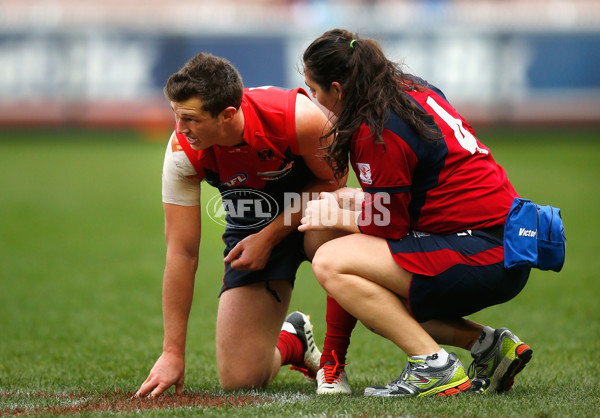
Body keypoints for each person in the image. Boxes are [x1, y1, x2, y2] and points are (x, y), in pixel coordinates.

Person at [298, 29, 533, 397]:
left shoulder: (378, 124)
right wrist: (346, 204)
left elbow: (391, 223)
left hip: (486, 251)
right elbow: (415, 195)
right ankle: (488, 347)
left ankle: (433, 367)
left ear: (338, 89)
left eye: (315, 91)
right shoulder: (405, 87)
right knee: (370, 296)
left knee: (332, 261)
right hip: (497, 241)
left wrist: (335, 214)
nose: (315, 101)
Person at [135, 52, 346, 397]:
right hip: (251, 226)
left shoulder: (299, 119)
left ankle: (334, 366)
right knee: (240, 379)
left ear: (227, 115)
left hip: (312, 215)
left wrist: (271, 235)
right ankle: (293, 339)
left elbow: (336, 183)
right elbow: (182, 251)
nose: (179, 128)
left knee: (336, 224)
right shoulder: (181, 153)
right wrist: (172, 353)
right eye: (176, 115)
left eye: (189, 118)